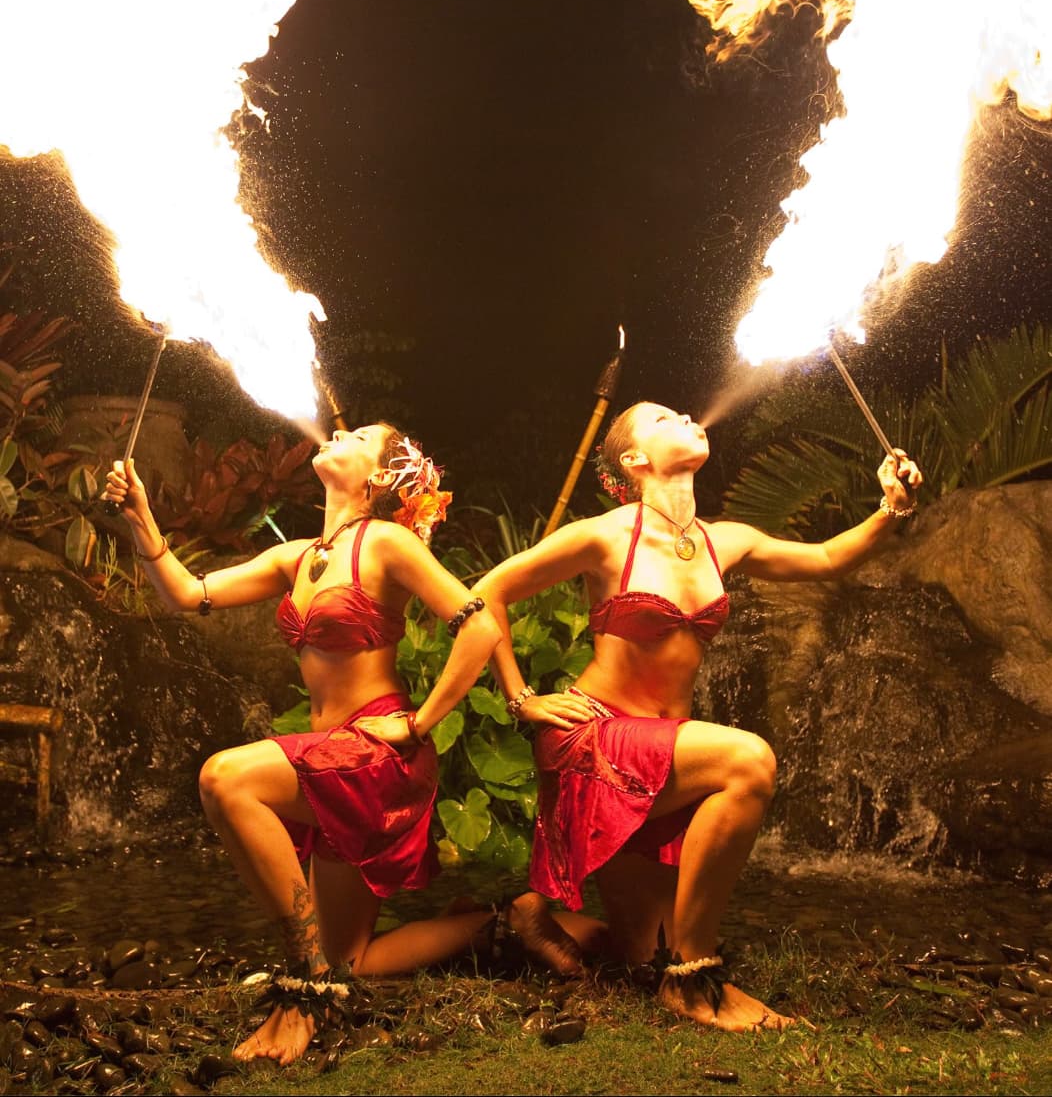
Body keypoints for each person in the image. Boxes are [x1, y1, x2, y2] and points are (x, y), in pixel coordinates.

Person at [104, 423, 587, 1065]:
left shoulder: (386, 542)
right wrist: (141, 520)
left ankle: (307, 986)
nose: (335, 430)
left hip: (375, 757)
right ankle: (496, 926)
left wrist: (420, 724)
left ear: (381, 478)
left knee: (226, 777)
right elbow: (191, 595)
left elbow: (475, 627)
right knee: (353, 958)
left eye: (358, 434)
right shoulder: (298, 557)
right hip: (329, 756)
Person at [472, 401, 922, 1032]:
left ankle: (530, 919)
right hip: (596, 744)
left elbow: (825, 560)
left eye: (684, 412)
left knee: (639, 955)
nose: (684, 416)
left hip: (663, 757)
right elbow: (484, 592)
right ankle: (696, 975)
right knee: (748, 761)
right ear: (634, 460)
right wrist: (522, 698)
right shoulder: (604, 535)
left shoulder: (724, 540)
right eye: (662, 419)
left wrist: (890, 507)